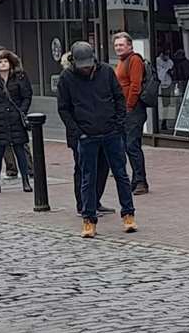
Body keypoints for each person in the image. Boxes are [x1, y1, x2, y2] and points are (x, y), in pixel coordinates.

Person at [56, 41, 135, 239]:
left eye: (89, 64)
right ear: (74, 62)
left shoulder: (106, 72)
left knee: (121, 175)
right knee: (87, 178)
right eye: (82, 65)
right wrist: (78, 131)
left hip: (110, 132)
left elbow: (119, 98)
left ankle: (128, 215)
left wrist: (118, 124)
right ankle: (88, 219)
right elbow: (64, 109)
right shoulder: (66, 78)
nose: (86, 68)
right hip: (86, 135)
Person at [0, 51, 34, 193]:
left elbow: (27, 96)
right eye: (0, 62)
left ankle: (25, 181)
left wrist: (21, 111)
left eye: (5, 61)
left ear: (10, 63)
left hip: (15, 119)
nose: (3, 64)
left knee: (20, 151)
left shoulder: (20, 78)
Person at [111, 32, 156, 195]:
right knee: (127, 146)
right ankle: (136, 179)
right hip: (124, 110)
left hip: (133, 110)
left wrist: (128, 107)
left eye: (121, 45)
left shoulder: (134, 60)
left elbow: (135, 85)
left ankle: (141, 181)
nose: (118, 48)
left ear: (129, 46)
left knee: (132, 146)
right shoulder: (121, 62)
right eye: (116, 45)